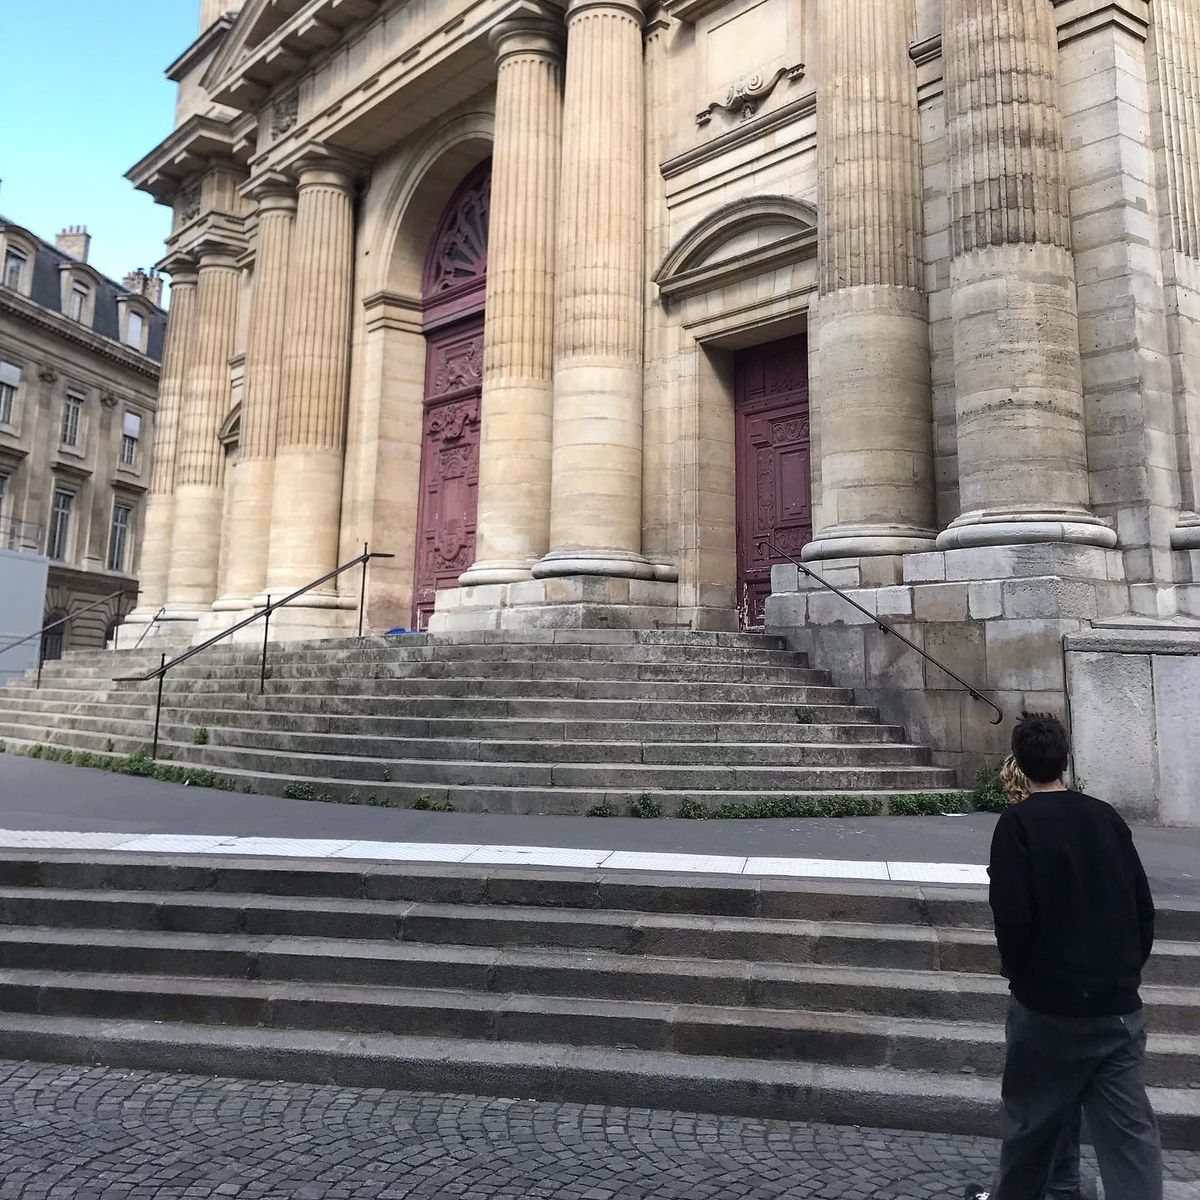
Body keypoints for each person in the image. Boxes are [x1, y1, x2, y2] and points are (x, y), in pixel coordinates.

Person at [964, 713, 1161, 1200]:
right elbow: (1142, 904)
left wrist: (1022, 977)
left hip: (1047, 1004)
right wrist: (1125, 970)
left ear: (1017, 763)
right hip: (1116, 1004)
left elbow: (1011, 917)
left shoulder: (1017, 825)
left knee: (1030, 1123)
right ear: (1066, 760)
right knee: (1130, 1134)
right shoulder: (1106, 816)